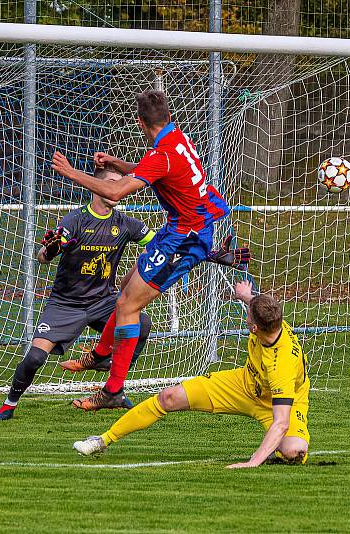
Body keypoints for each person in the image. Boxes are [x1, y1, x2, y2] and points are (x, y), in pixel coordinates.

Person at [0, 168, 248, 420]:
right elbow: (43, 256)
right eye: (112, 183)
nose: (117, 190)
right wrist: (50, 250)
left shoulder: (126, 223)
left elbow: (170, 249)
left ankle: (114, 382)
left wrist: (211, 254)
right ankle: (9, 403)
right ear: (97, 187)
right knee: (35, 357)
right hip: (67, 304)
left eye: (120, 184)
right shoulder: (75, 219)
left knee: (142, 323)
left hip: (104, 300)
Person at [52, 89, 232, 411]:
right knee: (125, 290)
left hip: (186, 238)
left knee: (127, 305)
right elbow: (151, 169)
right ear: (168, 117)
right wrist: (115, 163)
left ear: (139, 122)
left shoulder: (161, 155)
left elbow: (116, 191)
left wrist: (70, 172)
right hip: (180, 228)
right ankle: (101, 355)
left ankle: (112, 389)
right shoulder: (176, 139)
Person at [71, 280, 311, 468]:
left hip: (281, 403)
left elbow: (280, 421)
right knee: (168, 397)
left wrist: (253, 462)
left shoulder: (282, 365)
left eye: (248, 315)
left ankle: (271, 452)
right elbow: (258, 304)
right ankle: (102, 440)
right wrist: (245, 295)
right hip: (243, 385)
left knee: (293, 451)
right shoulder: (272, 319)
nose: (246, 316)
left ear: (255, 328)